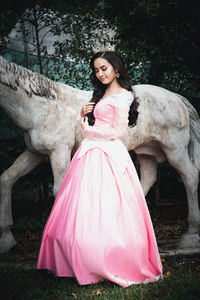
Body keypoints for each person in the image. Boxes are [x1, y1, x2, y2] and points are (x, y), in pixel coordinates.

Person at [37, 51, 163, 287]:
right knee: (83, 206)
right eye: (96, 70)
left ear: (116, 69)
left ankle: (106, 259)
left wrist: (87, 129)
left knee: (107, 207)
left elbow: (117, 132)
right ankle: (78, 259)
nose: (100, 73)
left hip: (107, 153)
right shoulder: (103, 94)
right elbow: (97, 121)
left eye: (104, 68)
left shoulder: (124, 96)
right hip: (91, 152)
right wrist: (83, 114)